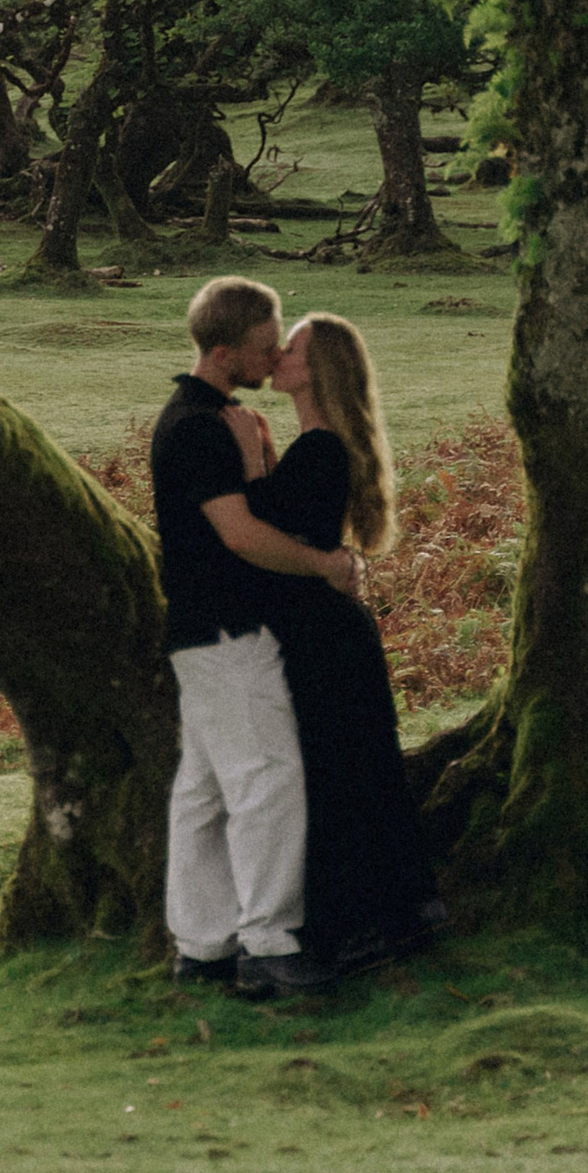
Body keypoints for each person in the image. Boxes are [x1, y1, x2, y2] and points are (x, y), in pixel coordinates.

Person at [151, 276, 359, 1001]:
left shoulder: (206, 420)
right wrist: (325, 564)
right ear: (222, 350)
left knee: (203, 793)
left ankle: (203, 945)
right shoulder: (200, 429)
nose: (274, 360)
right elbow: (241, 536)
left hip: (201, 631)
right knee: (266, 782)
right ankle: (269, 943)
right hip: (228, 629)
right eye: (265, 347)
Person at [229, 313, 445, 973]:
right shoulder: (316, 447)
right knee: (347, 772)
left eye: (289, 350)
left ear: (316, 370)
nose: (276, 356)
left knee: (334, 775)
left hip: (322, 637)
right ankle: (386, 917)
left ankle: (357, 926)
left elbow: (268, 534)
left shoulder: (321, 450)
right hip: (323, 630)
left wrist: (245, 460)